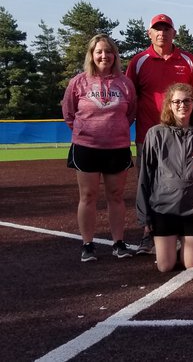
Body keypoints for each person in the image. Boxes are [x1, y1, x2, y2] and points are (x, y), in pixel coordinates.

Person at [127, 13, 193, 255]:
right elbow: (129, 96)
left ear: (174, 33)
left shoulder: (188, 60)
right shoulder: (139, 60)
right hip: (149, 133)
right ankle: (149, 231)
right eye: (157, 29)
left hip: (183, 135)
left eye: (166, 29)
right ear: (149, 33)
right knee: (148, 181)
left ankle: (183, 230)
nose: (162, 33)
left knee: (185, 180)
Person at [62, 34, 137, 262]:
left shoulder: (125, 83)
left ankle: (118, 243)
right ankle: (87, 244)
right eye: (99, 52)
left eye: (108, 51)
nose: (104, 56)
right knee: (88, 195)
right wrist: (88, 131)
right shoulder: (79, 82)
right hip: (87, 147)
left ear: (115, 55)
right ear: (92, 55)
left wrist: (114, 130)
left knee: (116, 195)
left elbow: (131, 113)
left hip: (117, 147)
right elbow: (69, 113)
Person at [136, 83, 193, 272]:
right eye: (176, 101)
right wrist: (145, 215)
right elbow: (145, 175)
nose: (182, 105)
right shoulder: (155, 134)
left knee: (192, 265)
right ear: (169, 105)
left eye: (187, 101)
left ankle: (183, 245)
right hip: (164, 209)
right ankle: (173, 244)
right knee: (165, 266)